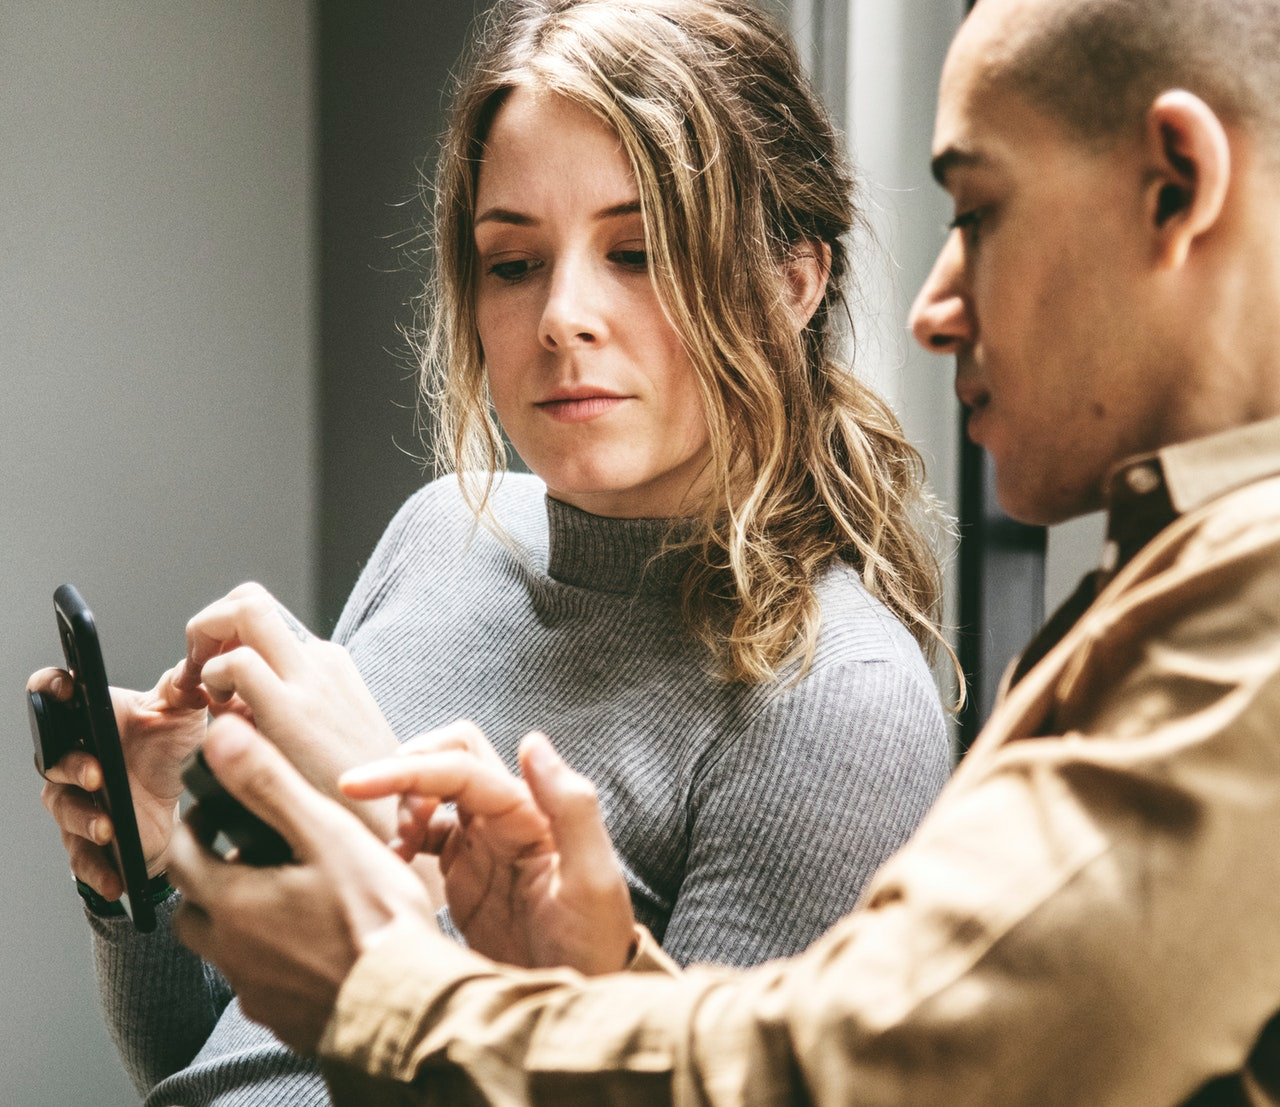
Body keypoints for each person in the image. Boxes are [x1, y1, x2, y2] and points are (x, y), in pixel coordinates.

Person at [164, 0, 1280, 1101]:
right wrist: (162, 878)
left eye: (977, 213)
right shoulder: (1179, 584)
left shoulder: (1235, 630)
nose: (933, 308)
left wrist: (395, 949)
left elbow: (857, 1072)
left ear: (1177, 183)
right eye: (511, 263)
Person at [31, 0, 956, 1102]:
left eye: (636, 251)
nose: (562, 314)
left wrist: (379, 832)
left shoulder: (836, 701)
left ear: (792, 282)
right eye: (512, 263)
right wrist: (147, 882)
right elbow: (235, 1062)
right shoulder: (439, 535)